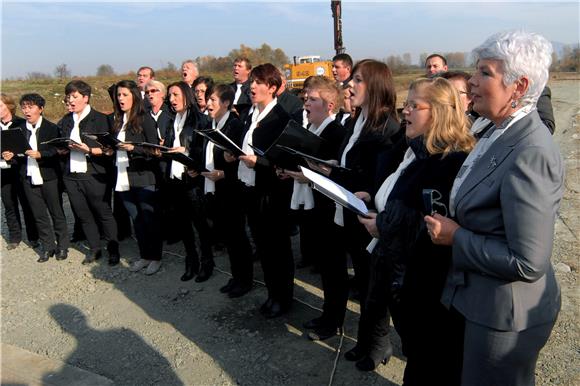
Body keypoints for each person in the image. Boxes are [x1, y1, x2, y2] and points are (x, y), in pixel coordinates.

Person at [425, 30, 564, 386]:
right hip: (478, 299)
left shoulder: (531, 151)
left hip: (505, 316)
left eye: (484, 73)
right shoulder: (495, 129)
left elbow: (527, 262)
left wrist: (456, 238)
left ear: (518, 87)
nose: (470, 81)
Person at [359, 77, 475, 382]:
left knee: (431, 368)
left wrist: (382, 226)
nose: (405, 110)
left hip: (431, 295)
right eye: (405, 103)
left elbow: (432, 229)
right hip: (406, 285)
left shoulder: (450, 163)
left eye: (414, 105)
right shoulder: (414, 151)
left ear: (437, 112)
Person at [306, 59, 404, 359]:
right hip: (347, 212)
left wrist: (333, 173)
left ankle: (375, 343)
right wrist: (333, 166)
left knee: (372, 287)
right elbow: (351, 165)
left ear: (375, 86)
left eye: (358, 80)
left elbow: (376, 180)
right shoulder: (357, 120)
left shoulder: (387, 127)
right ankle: (364, 339)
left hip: (367, 219)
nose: (350, 85)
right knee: (362, 283)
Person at [282, 76, 347, 337]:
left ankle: (333, 321)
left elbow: (335, 173)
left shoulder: (336, 133)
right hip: (315, 209)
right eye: (305, 99)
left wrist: (307, 175)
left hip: (330, 211)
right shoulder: (312, 129)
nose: (305, 103)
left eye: (312, 99)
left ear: (330, 105)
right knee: (326, 268)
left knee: (334, 268)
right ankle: (328, 314)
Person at [237, 63, 294, 317]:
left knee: (278, 248)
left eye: (259, 82)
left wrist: (257, 162)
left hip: (273, 194)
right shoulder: (252, 114)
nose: (252, 86)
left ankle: (284, 297)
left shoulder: (281, 118)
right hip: (251, 188)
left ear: (272, 88)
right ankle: (273, 293)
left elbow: (286, 161)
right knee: (263, 246)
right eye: (251, 81)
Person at [58, 80, 120, 265]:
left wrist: (90, 150)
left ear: (85, 98)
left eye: (74, 97)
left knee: (103, 213)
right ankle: (94, 249)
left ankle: (113, 249)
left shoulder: (101, 119)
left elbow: (111, 149)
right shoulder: (65, 120)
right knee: (83, 214)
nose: (70, 100)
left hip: (95, 173)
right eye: (68, 96)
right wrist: (61, 149)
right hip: (71, 174)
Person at [198, 84, 253, 293]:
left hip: (233, 191)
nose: (209, 103)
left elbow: (241, 159)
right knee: (229, 237)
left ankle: (245, 280)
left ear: (226, 103)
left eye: (213, 99)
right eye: (208, 99)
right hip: (216, 189)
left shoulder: (235, 125)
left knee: (238, 236)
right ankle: (236, 276)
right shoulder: (212, 124)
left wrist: (224, 173)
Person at [162, 81, 214, 282]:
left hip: (193, 180)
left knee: (201, 225)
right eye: (170, 96)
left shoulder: (200, 120)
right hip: (175, 179)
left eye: (175, 95)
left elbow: (205, 150)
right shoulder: (171, 120)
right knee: (183, 224)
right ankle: (191, 261)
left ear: (186, 95)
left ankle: (207, 262)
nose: (172, 100)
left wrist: (186, 152)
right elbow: (168, 145)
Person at [110, 80, 163, 275]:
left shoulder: (145, 119)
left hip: (143, 175)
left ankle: (156, 257)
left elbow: (155, 149)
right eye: (118, 95)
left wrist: (134, 148)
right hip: (123, 175)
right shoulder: (117, 120)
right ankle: (145, 255)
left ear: (134, 96)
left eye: (124, 94)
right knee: (136, 219)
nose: (120, 99)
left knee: (149, 219)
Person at [10, 94, 69, 262]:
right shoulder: (20, 129)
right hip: (28, 177)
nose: (27, 111)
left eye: (31, 107)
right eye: (24, 107)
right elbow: (17, 153)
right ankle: (47, 247)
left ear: (41, 109)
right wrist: (10, 155)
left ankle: (63, 246)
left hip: (49, 175)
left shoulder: (52, 128)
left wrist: (41, 154)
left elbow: (58, 151)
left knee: (56, 212)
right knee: (38, 214)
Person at [1, 94, 39, 250]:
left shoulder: (22, 123)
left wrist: (16, 154)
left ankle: (33, 236)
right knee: (9, 205)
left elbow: (28, 147)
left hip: (21, 169)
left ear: (9, 106)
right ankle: (15, 237)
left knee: (27, 203)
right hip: (3, 172)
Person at [144, 80, 172, 144]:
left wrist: (167, 142)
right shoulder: (143, 115)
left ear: (162, 93)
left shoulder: (171, 112)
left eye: (153, 91)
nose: (149, 94)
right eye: (147, 92)